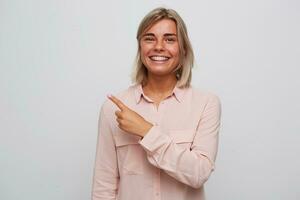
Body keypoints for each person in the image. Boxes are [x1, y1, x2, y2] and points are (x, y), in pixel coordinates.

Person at [91, 7, 221, 200]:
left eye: (170, 39)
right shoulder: (113, 108)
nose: (159, 46)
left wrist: (146, 131)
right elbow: (104, 187)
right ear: (140, 47)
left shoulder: (206, 104)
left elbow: (199, 174)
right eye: (149, 38)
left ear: (183, 48)